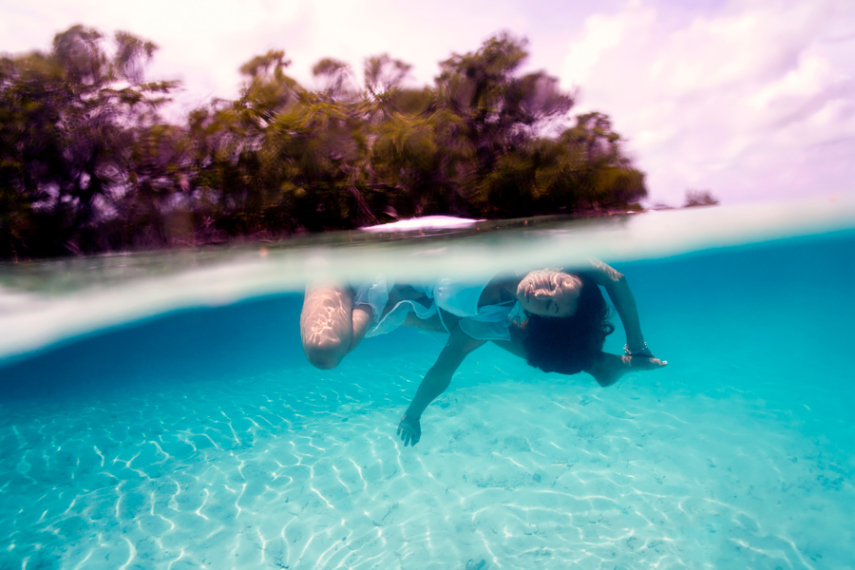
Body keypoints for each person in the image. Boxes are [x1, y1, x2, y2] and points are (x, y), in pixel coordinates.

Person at [300, 259, 666, 446]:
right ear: (559, 269)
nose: (541, 294)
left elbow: (445, 368)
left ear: (539, 319)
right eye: (555, 285)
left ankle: (596, 364)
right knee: (330, 349)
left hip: (363, 292)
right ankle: (599, 365)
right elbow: (615, 278)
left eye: (549, 306)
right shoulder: (537, 249)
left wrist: (413, 415)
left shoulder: (489, 317)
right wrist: (636, 344)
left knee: (325, 352)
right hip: (373, 277)